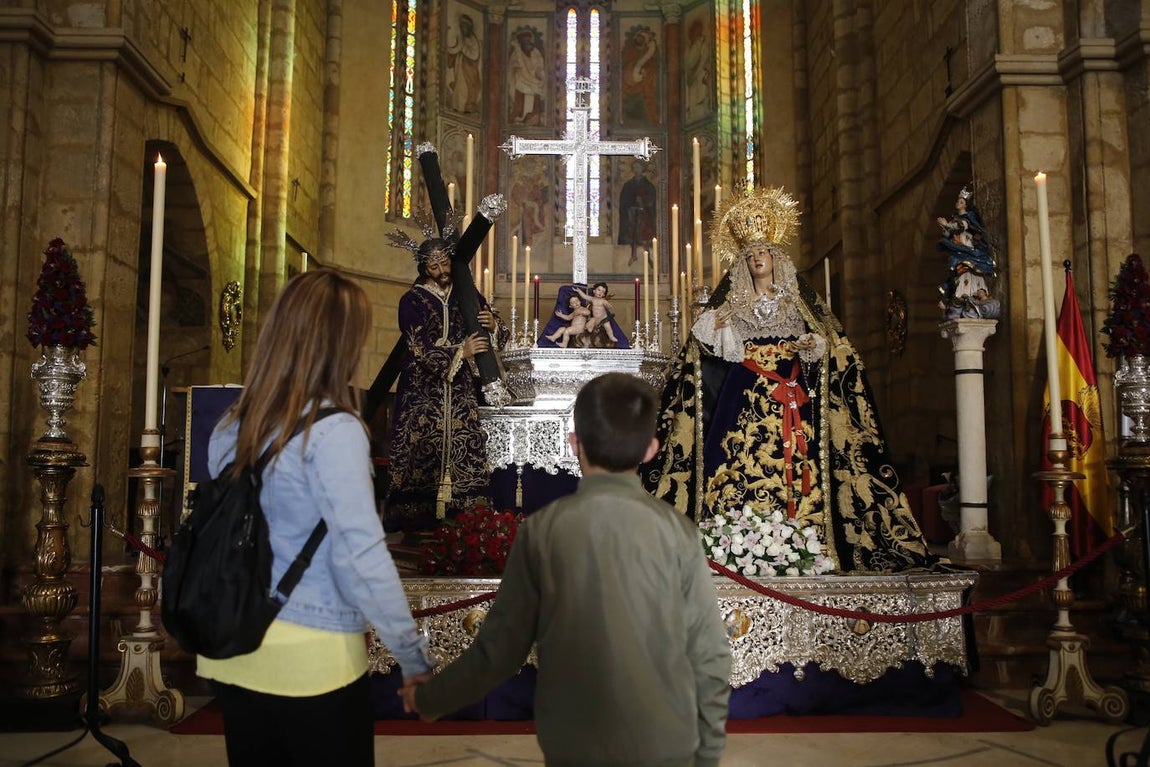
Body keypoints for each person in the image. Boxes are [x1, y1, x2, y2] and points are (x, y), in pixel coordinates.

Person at [401, 372, 731, 767]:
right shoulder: (679, 532)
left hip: (575, 743)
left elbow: (499, 652)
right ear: (650, 450)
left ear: (574, 444)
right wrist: (708, 752)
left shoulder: (543, 530)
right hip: (667, 741)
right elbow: (709, 654)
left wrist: (429, 698)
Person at [197, 269, 433, 767]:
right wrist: (411, 656)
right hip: (312, 654)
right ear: (342, 344)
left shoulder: (231, 424)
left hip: (236, 646)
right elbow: (362, 555)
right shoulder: (334, 430)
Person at [640, 186, 934, 573]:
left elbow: (831, 352)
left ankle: (804, 537)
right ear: (742, 264)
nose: (757, 257)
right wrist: (714, 326)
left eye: (763, 252)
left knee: (803, 461)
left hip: (792, 397)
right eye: (750, 254)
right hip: (742, 396)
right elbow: (709, 356)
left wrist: (813, 346)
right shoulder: (732, 308)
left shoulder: (798, 304)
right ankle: (732, 538)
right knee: (731, 460)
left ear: (777, 258)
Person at [386, 237, 511, 532]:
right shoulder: (412, 300)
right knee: (421, 447)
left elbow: (496, 328)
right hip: (421, 387)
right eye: (434, 265)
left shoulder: (465, 293)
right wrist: (460, 352)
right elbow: (418, 346)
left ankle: (466, 518)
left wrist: (494, 326)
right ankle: (415, 522)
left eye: (445, 263)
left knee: (465, 443)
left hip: (459, 389)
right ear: (423, 267)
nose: (442, 269)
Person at [618, 160, 657, 264]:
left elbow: (651, 199)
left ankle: (648, 257)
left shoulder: (648, 185)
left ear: (642, 169)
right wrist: (631, 205)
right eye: (634, 167)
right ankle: (634, 255)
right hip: (632, 214)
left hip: (644, 215)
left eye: (638, 167)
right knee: (633, 234)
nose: (636, 170)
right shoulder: (628, 185)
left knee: (644, 236)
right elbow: (624, 201)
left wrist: (643, 201)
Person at [445, 12, 482, 114]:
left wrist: (462, 48)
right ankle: (457, 106)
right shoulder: (462, 38)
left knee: (465, 88)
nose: (463, 29)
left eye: (465, 26)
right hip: (460, 68)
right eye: (462, 26)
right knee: (459, 88)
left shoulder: (473, 40)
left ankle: (467, 107)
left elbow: (474, 55)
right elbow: (455, 49)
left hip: (469, 71)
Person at [621, 26, 659, 123]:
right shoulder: (631, 52)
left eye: (642, 38)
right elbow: (626, 64)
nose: (639, 39)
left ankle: (650, 117)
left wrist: (645, 71)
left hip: (645, 82)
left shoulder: (649, 52)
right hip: (630, 82)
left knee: (648, 92)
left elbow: (652, 66)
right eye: (638, 37)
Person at [508, 28, 546, 124]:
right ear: (521, 41)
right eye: (525, 40)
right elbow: (512, 66)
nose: (527, 42)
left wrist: (539, 74)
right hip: (520, 80)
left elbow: (539, 66)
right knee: (520, 100)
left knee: (534, 98)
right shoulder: (517, 52)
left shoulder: (535, 52)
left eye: (528, 40)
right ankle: (519, 117)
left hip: (533, 80)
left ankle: (532, 118)